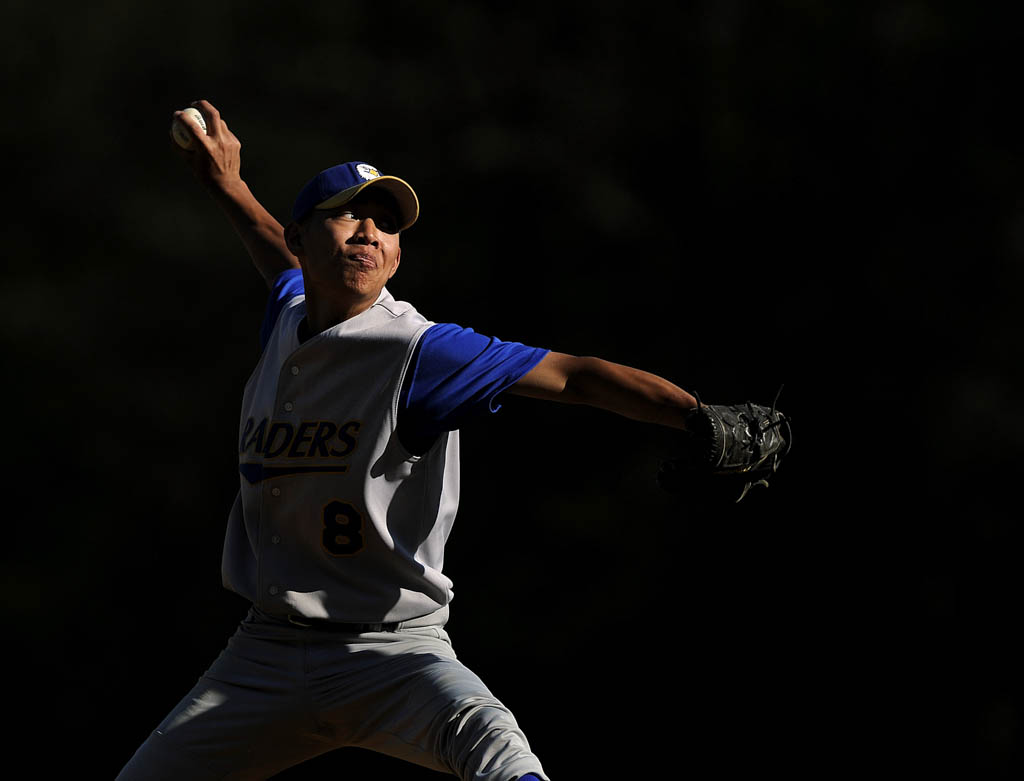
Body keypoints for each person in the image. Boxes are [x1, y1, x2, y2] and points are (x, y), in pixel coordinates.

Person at [117, 100, 702, 781]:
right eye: (349, 213)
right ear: (304, 241)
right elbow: (275, 253)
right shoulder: (291, 308)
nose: (370, 230)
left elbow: (572, 378)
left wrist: (695, 415)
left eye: (388, 224)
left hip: (392, 651)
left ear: (396, 256)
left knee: (497, 749)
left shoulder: (417, 349)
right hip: (262, 654)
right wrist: (228, 185)